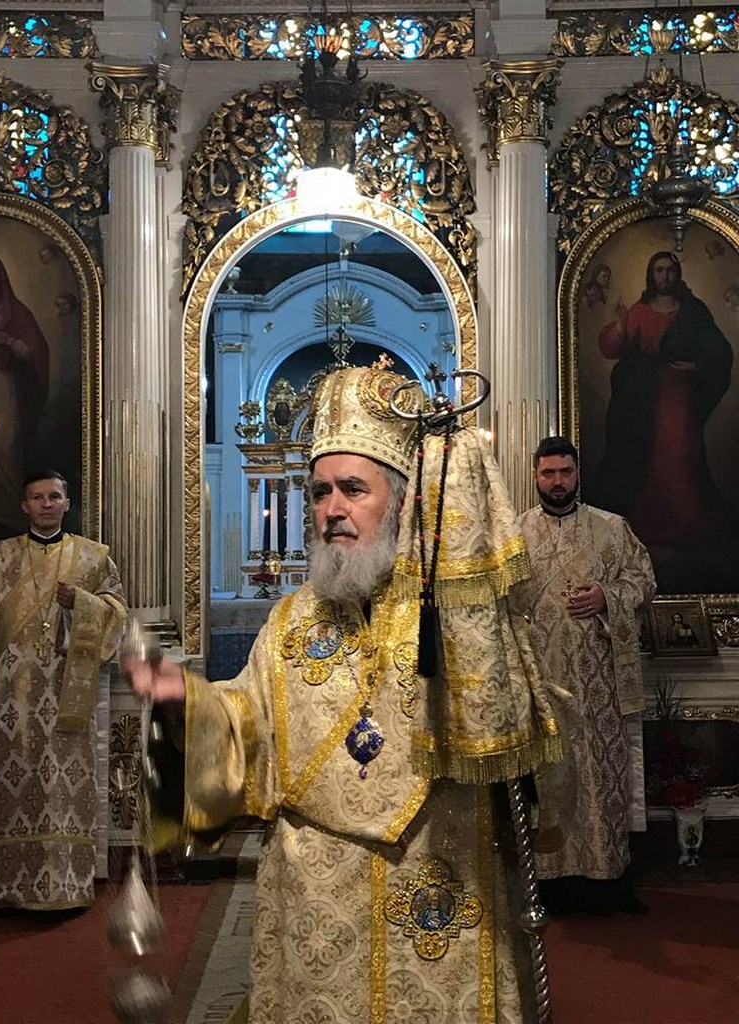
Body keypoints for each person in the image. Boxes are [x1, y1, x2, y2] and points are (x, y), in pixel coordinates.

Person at [125, 361, 564, 1024]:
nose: (332, 509)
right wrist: (189, 704)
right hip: (316, 897)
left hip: (441, 880)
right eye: (320, 491)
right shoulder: (291, 620)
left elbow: (527, 741)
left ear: (404, 500)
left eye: (353, 489)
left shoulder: (459, 619)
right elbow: (247, 722)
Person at [0, 470, 127, 910]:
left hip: (65, 690)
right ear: (25, 505)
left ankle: (66, 885)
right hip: (13, 693)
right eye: (37, 497)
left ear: (66, 503)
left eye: (54, 497)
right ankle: (9, 886)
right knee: (15, 780)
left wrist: (83, 602)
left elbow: (117, 612)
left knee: (61, 785)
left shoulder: (93, 558)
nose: (46, 504)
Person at [513, 436, 656, 916]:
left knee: (599, 777)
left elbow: (644, 580)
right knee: (550, 780)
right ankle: (548, 886)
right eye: (548, 473)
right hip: (541, 685)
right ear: (535, 476)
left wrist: (607, 597)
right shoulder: (515, 534)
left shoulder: (612, 529)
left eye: (565, 472)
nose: (557, 482)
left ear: (578, 474)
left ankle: (608, 884)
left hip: (599, 687)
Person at [597, 251, 734, 583]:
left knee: (682, 455)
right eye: (659, 270)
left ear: (678, 274)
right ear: (651, 274)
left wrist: (697, 366)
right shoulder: (640, 310)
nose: (665, 276)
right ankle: (649, 528)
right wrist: (621, 324)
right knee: (645, 457)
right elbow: (611, 348)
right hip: (640, 400)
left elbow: (719, 351)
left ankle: (688, 526)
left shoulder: (692, 311)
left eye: (670, 270)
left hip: (679, 397)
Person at [0, 255, 50, 551]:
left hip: (5, 387)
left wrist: (11, 343)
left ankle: (6, 509)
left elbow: (36, 351)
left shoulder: (16, 312)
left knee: (5, 444)